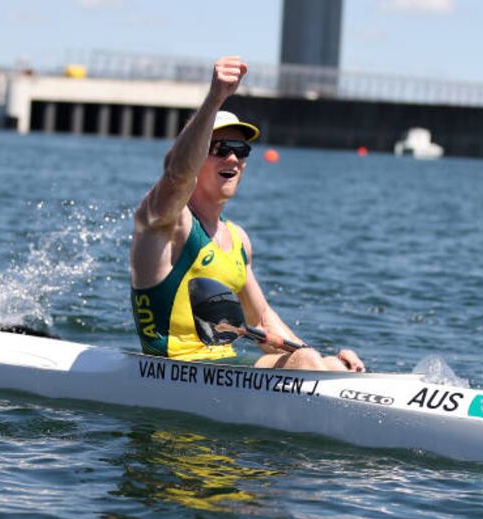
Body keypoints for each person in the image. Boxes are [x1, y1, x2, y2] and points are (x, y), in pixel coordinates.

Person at [130, 56, 364, 371]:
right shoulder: (168, 221)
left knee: (324, 363)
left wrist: (326, 362)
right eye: (220, 148)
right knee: (307, 363)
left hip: (224, 369)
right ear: (198, 153)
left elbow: (262, 320)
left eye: (241, 151)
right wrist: (216, 98)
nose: (232, 158)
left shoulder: (238, 239)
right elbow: (176, 175)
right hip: (170, 370)